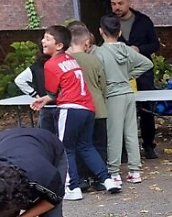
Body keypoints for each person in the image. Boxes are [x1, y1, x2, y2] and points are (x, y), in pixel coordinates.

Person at [30, 25, 121, 200]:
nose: (43, 41)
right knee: (86, 146)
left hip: (70, 109)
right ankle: (107, 179)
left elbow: (52, 91)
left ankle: (73, 187)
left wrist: (46, 97)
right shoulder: (70, 60)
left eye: (47, 38)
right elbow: (59, 90)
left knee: (65, 148)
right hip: (88, 108)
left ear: (58, 45)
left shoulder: (51, 64)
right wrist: (47, 98)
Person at [93, 14, 153, 185]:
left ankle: (114, 172)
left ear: (100, 32)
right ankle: (135, 170)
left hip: (112, 95)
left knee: (114, 135)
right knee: (131, 133)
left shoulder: (99, 52)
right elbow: (147, 64)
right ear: (119, 32)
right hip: (128, 93)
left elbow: (98, 76)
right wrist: (128, 76)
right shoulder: (126, 49)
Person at [110, 0, 160, 158]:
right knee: (121, 108)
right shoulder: (109, 23)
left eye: (120, 3)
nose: (117, 7)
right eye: (114, 4)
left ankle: (148, 144)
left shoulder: (143, 21)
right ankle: (123, 149)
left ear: (128, 3)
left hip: (143, 70)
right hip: (119, 71)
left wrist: (139, 49)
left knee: (146, 107)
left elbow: (155, 44)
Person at [68, 23, 109, 191]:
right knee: (99, 144)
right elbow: (103, 84)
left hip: (76, 108)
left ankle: (82, 178)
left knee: (79, 145)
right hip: (97, 107)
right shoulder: (94, 59)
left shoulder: (66, 61)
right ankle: (100, 179)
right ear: (86, 42)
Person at [14, 51, 53, 133]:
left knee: (45, 138)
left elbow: (19, 80)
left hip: (45, 107)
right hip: (62, 106)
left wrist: (35, 95)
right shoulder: (63, 64)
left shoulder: (35, 67)